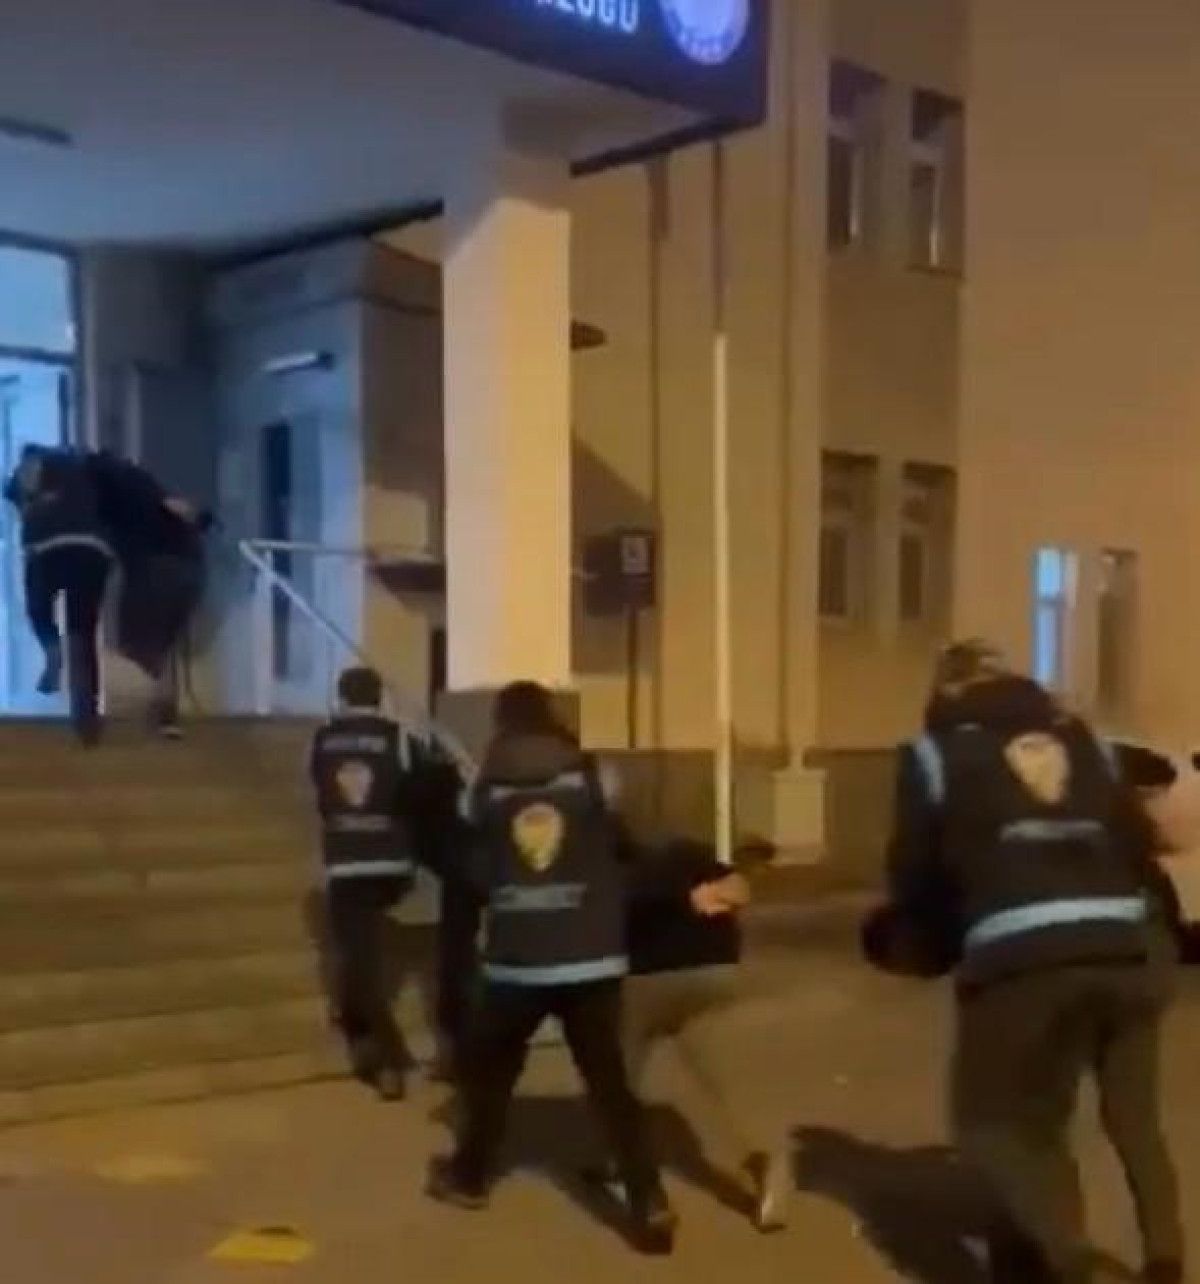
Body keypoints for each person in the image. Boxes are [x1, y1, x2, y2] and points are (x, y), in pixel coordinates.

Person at [884, 639, 1184, 1284]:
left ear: (945, 691)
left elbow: (915, 871)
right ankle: (1157, 1259)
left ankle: (1070, 1260)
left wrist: (929, 941)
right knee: (1081, 1119)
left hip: (1021, 951)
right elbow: (1135, 843)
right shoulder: (1086, 742)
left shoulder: (933, 754)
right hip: (1122, 940)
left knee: (986, 1125)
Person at [426, 681, 676, 1255]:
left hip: (520, 958)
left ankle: (469, 1177)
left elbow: (476, 868)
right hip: (591, 954)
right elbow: (623, 846)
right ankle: (649, 1199)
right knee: (610, 1086)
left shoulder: (484, 787)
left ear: (502, 722)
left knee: (492, 1076)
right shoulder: (593, 777)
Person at [586, 834, 794, 1232]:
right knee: (722, 1075)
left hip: (646, 977)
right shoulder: (688, 853)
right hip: (715, 973)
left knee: (616, 1071)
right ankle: (766, 1155)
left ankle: (620, 1162)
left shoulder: (609, 875)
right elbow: (739, 889)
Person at [309, 666, 419, 1101]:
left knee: (359, 959)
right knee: (360, 955)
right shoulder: (399, 737)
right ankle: (362, 1036)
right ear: (378, 697)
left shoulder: (323, 739)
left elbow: (321, 796)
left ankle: (386, 1055)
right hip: (390, 861)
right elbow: (412, 792)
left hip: (346, 860)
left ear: (341, 697)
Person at [85, 449, 210, 738]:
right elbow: (180, 508)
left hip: (152, 570)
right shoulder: (145, 485)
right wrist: (201, 520)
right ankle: (165, 711)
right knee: (163, 643)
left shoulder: (102, 499)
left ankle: (160, 702)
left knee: (135, 642)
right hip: (188, 568)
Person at [4, 445, 113, 745]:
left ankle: (51, 645)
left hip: (46, 546)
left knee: (38, 607)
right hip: (92, 548)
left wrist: (28, 503)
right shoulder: (87, 469)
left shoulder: (32, 463)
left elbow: (15, 489)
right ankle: (86, 718)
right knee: (83, 632)